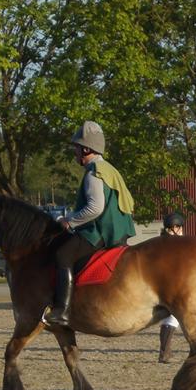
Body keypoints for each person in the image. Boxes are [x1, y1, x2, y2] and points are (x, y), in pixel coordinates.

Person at [44, 120, 137, 327]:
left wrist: (69, 221)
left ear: (86, 148)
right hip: (118, 230)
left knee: (62, 254)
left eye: (76, 148)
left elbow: (95, 208)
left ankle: (61, 311)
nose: (75, 153)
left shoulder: (94, 172)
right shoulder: (110, 169)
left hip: (99, 232)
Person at [157, 212, 185, 362]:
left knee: (173, 318)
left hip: (175, 282)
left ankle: (165, 353)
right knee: (172, 318)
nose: (177, 229)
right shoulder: (169, 243)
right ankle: (164, 354)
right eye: (174, 227)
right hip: (171, 283)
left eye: (177, 227)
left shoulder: (179, 241)